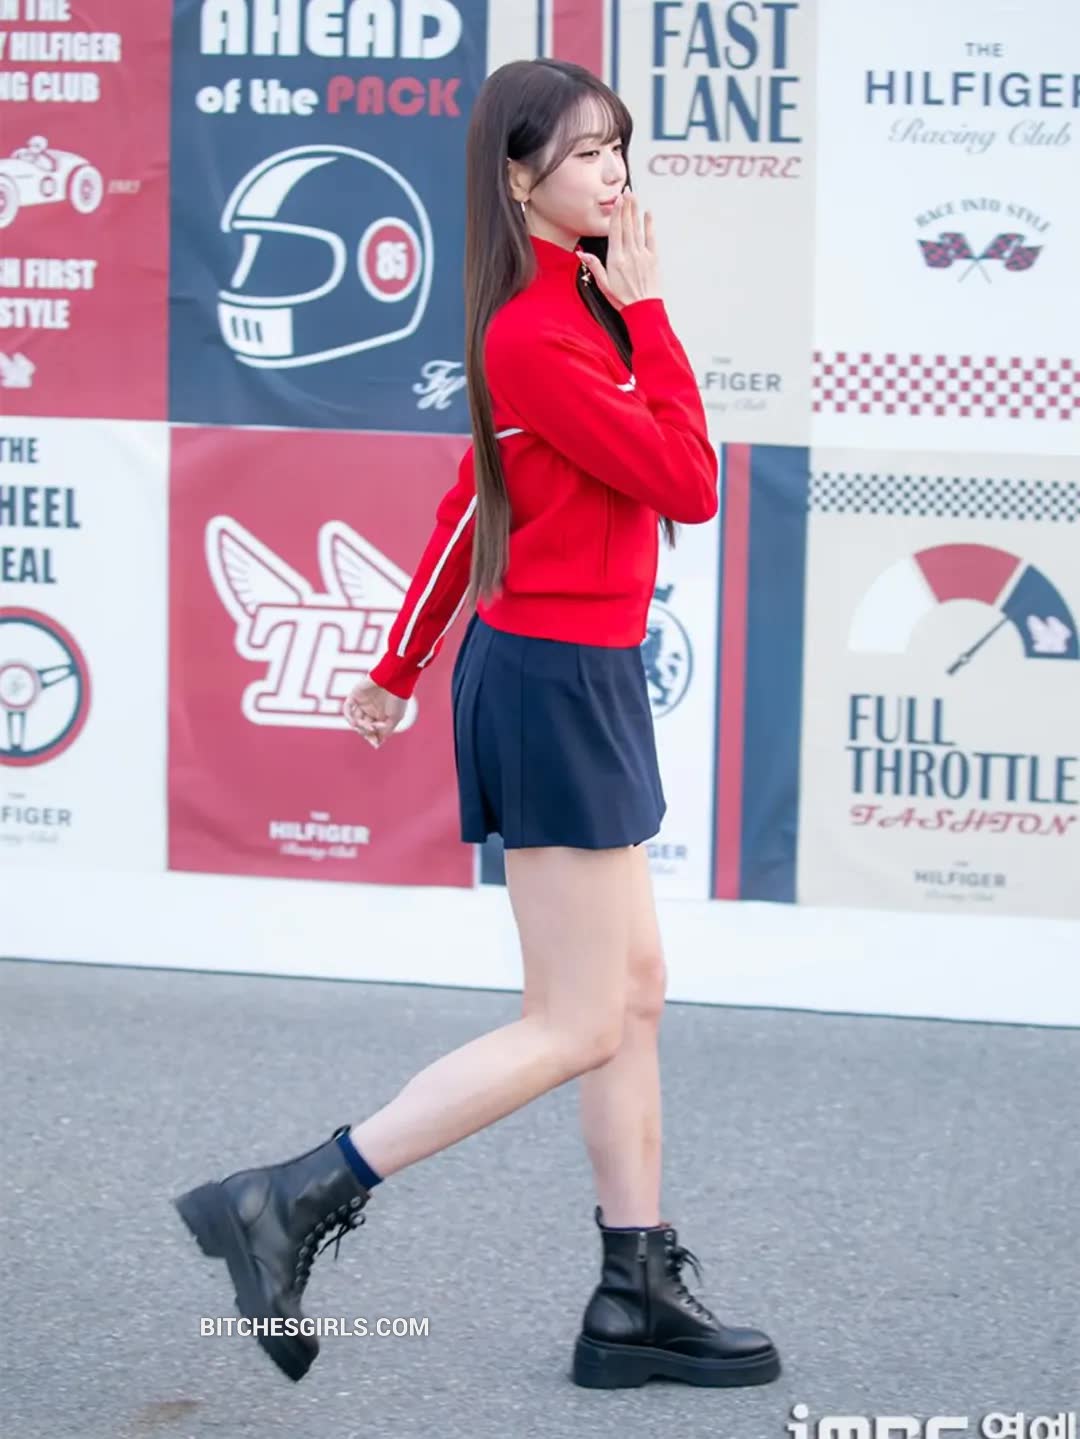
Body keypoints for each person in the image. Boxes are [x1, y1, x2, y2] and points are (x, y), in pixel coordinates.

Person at [173, 57, 781, 1393]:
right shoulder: (539, 333)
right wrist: (655, 314)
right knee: (576, 1019)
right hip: (552, 683)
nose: (615, 174)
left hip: (584, 674)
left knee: (630, 995)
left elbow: (474, 503)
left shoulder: (578, 309)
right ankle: (291, 1198)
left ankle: (634, 1290)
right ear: (518, 178)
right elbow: (689, 483)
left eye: (620, 149)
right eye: (586, 154)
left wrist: (397, 664)